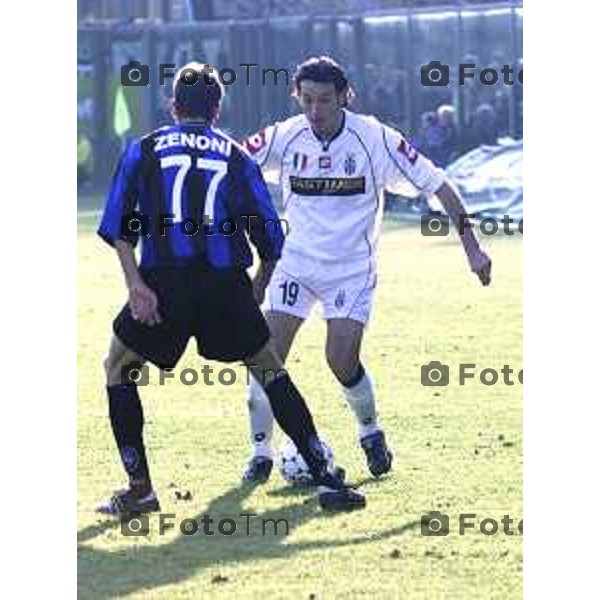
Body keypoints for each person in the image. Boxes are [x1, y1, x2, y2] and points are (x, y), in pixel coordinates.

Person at [96, 62, 365, 514]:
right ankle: (325, 476)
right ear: (217, 109)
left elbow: (120, 227)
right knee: (269, 368)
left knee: (119, 367)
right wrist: (258, 284)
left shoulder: (142, 149)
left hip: (163, 283)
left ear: (173, 106)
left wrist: (136, 285)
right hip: (225, 284)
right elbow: (270, 235)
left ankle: (140, 489)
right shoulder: (236, 155)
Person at [241, 56, 491, 483]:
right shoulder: (286, 135)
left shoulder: (375, 138)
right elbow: (232, 163)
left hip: (350, 270)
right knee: (265, 357)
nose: (315, 112)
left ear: (345, 96)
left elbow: (438, 183)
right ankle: (261, 454)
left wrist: (472, 246)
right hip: (296, 265)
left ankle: (370, 430)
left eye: (324, 100)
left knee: (340, 360)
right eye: (307, 101)